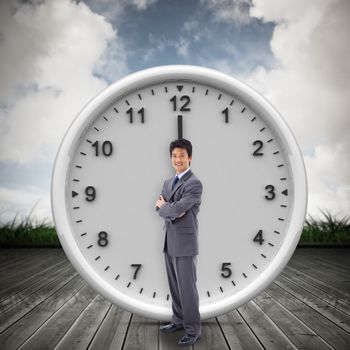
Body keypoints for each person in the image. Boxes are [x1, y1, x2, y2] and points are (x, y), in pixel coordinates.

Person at [155, 138, 203, 347]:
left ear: (189, 157)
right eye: (174, 156)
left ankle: (192, 330)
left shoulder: (194, 183)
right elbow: (161, 208)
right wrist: (171, 209)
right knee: (174, 285)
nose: (178, 159)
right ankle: (178, 320)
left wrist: (169, 208)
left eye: (182, 155)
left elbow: (174, 208)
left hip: (185, 242)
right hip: (169, 240)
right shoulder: (167, 183)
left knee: (187, 288)